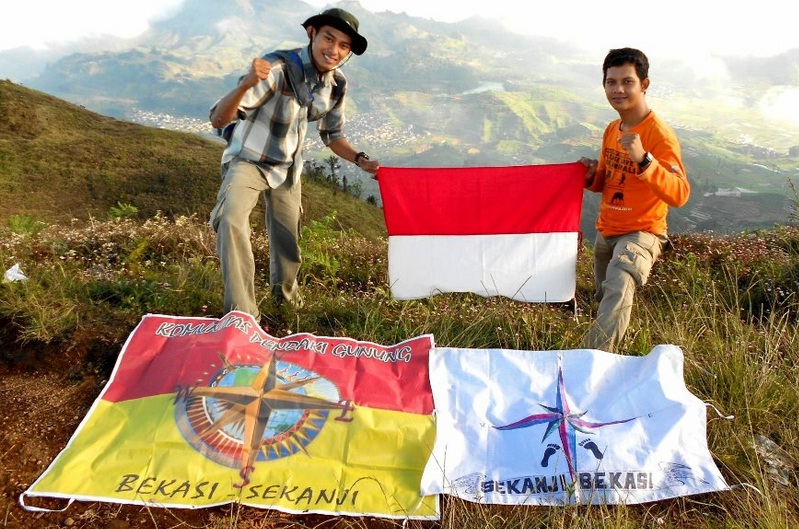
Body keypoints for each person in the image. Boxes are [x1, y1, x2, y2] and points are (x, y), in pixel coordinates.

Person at [208, 8, 380, 320]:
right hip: (250, 160)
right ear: (312, 33)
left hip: (288, 167)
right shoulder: (277, 68)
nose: (335, 50)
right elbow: (219, 119)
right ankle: (242, 315)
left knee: (288, 240)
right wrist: (246, 85)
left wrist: (359, 159)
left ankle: (285, 302)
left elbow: (333, 134)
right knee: (231, 220)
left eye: (344, 46)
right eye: (330, 38)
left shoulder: (336, 84)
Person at [580, 47, 690, 352]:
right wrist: (590, 177)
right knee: (605, 300)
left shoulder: (659, 136)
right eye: (611, 82)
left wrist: (644, 160)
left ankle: (592, 365)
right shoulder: (612, 129)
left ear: (645, 84)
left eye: (627, 81)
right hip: (608, 230)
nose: (618, 89)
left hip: (643, 232)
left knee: (617, 286)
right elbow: (608, 180)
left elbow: (679, 193)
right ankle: (607, 354)